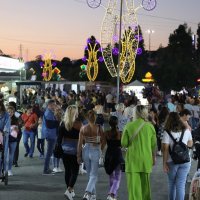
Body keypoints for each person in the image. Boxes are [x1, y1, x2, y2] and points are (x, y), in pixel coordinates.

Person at [121, 105, 157, 200]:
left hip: (133, 160)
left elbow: (124, 143)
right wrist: (154, 157)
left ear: (135, 113)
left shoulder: (129, 126)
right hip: (146, 160)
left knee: (134, 187)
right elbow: (154, 145)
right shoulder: (150, 126)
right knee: (145, 187)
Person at [162, 112, 193, 200]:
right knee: (181, 184)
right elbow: (190, 144)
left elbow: (165, 149)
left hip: (172, 162)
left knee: (172, 184)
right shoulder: (186, 130)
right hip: (185, 161)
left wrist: (164, 164)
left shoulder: (167, 132)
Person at [77, 110, 106, 200]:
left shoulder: (83, 128)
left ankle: (93, 195)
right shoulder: (99, 128)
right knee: (93, 175)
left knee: (90, 174)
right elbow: (104, 141)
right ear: (95, 117)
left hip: (85, 150)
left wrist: (78, 155)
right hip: (95, 150)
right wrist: (100, 149)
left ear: (87, 118)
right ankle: (88, 192)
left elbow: (79, 143)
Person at [57, 105, 82, 200]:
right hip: (76, 150)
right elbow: (82, 138)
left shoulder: (62, 124)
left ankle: (70, 190)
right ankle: (69, 189)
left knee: (67, 171)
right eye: (77, 111)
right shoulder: (79, 124)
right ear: (74, 113)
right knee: (75, 172)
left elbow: (59, 140)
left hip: (64, 150)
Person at [104, 116, 123, 200]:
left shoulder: (106, 133)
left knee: (111, 175)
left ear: (109, 123)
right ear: (117, 123)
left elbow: (103, 144)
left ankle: (112, 195)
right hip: (117, 154)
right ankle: (112, 194)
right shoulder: (120, 133)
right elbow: (122, 145)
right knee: (118, 176)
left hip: (109, 154)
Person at [42, 100, 59, 175]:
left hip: (51, 133)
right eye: (54, 105)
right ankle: (46, 169)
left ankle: (47, 168)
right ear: (49, 105)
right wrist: (58, 122)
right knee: (49, 153)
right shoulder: (48, 113)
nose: (55, 106)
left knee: (49, 152)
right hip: (50, 134)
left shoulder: (49, 112)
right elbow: (50, 125)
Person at [7, 106, 19, 176]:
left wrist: (16, 129)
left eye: (11, 112)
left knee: (11, 156)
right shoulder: (4, 119)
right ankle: (3, 169)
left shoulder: (16, 119)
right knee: (4, 156)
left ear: (13, 113)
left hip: (13, 140)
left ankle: (9, 169)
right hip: (4, 140)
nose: (10, 113)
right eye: (8, 112)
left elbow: (18, 130)